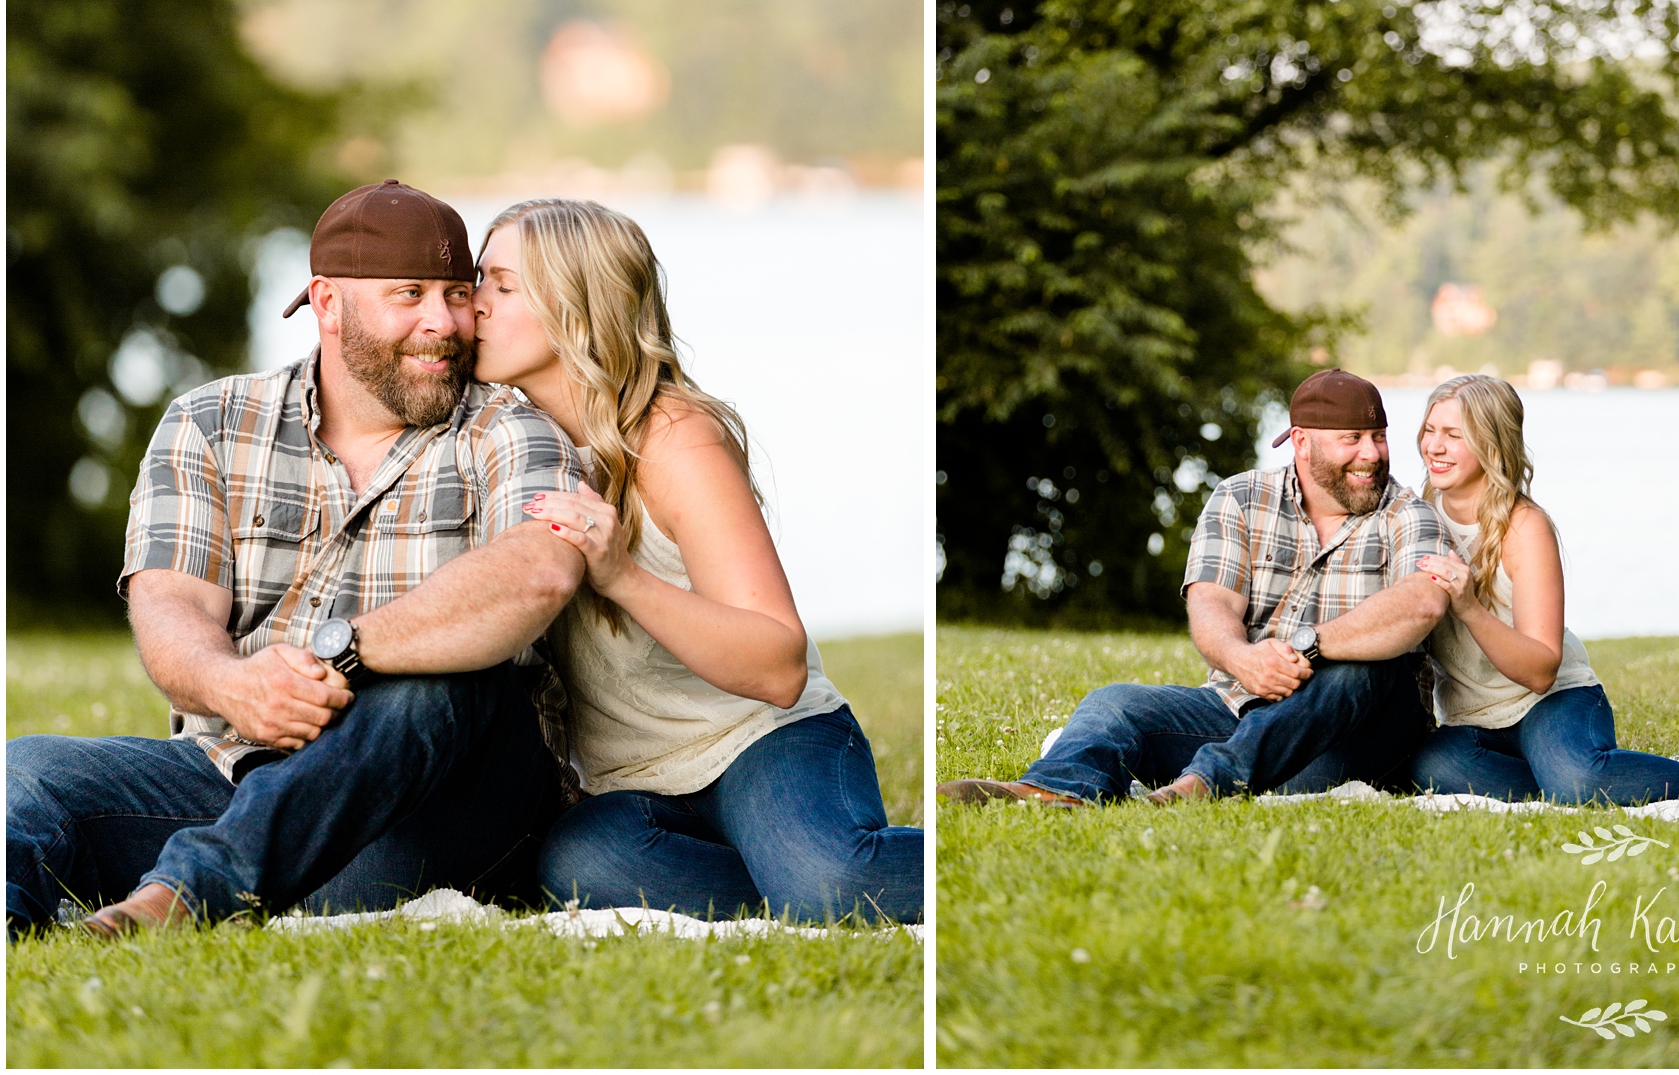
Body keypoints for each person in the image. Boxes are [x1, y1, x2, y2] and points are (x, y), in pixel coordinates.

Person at [6, 181, 589, 939]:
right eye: (409, 294)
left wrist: (344, 652)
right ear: (328, 303)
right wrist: (231, 683)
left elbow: (537, 571)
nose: (444, 322)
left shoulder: (510, 428)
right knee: (30, 769)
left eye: (456, 292)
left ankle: (183, 898)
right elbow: (170, 605)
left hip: (442, 806)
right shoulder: (210, 421)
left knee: (445, 674)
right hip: (238, 774)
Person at [468, 198, 922, 923]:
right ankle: (782, 882)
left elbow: (777, 664)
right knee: (579, 866)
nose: (473, 303)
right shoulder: (501, 444)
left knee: (832, 885)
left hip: (761, 743)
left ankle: (846, 872)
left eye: (499, 284)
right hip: (634, 787)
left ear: (576, 307)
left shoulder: (676, 439)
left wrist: (622, 575)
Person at [938, 369, 1455, 809]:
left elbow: (1423, 602)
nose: (1373, 453)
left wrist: (1309, 646)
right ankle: (1055, 793)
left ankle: (1203, 785)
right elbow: (1211, 603)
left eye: (1379, 437)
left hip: (1357, 733)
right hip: (1241, 706)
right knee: (1116, 702)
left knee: (1364, 669)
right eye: (1352, 439)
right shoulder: (1240, 497)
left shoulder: (1408, 514)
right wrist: (1242, 658)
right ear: (1302, 441)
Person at [1407, 373, 1679, 807]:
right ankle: (1601, 781)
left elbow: (1541, 671)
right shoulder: (1415, 520)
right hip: (1471, 717)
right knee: (1433, 769)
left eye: (1453, 434)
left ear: (1493, 443)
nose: (1435, 446)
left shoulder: (1524, 528)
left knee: (1575, 777)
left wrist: (1469, 608)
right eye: (1429, 430)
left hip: (1552, 703)